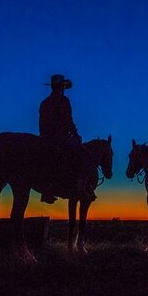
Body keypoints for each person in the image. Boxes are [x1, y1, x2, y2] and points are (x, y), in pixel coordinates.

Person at [39, 74, 96, 204]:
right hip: (59, 138)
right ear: (62, 87)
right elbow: (68, 121)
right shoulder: (64, 101)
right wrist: (75, 135)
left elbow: (42, 124)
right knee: (84, 155)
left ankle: (46, 191)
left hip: (45, 138)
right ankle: (83, 187)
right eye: (63, 86)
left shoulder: (44, 103)